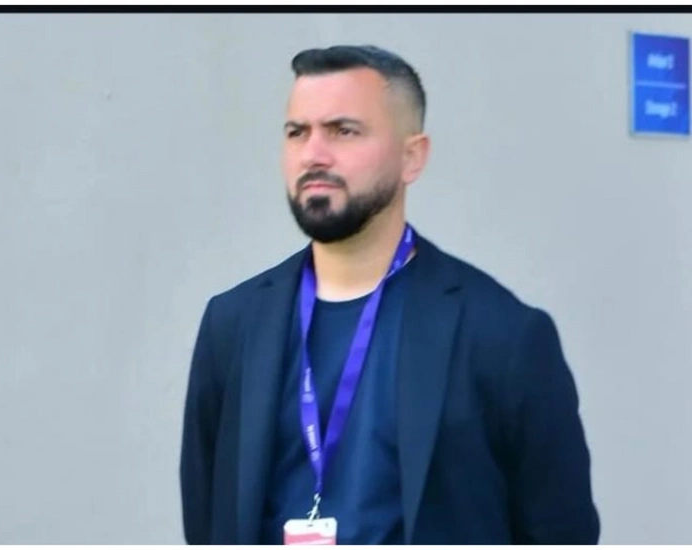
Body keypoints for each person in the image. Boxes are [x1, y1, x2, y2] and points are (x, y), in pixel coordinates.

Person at [179, 44, 600, 545]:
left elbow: (561, 532)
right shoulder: (233, 324)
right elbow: (208, 519)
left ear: (411, 157)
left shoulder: (503, 335)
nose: (313, 154)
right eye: (297, 132)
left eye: (343, 131)